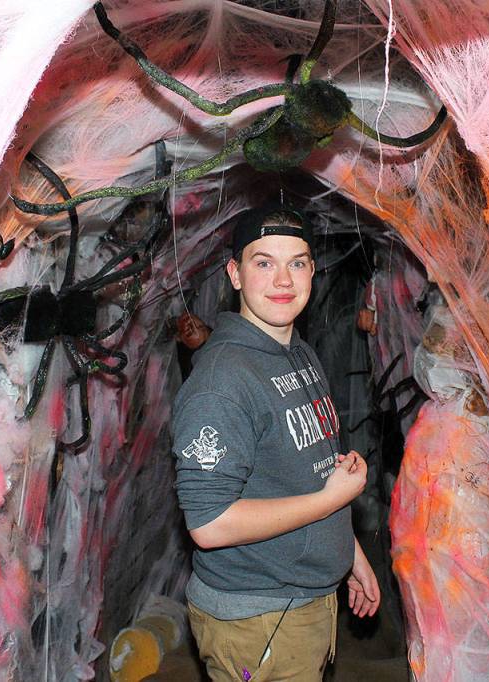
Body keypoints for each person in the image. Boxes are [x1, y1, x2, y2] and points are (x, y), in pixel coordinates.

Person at [171, 204, 380, 681]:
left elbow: (308, 471)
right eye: (263, 262)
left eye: (298, 262)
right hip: (257, 615)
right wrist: (329, 500)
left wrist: (350, 555)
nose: (283, 279)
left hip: (300, 599)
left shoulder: (297, 351)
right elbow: (209, 523)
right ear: (235, 274)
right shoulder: (221, 382)